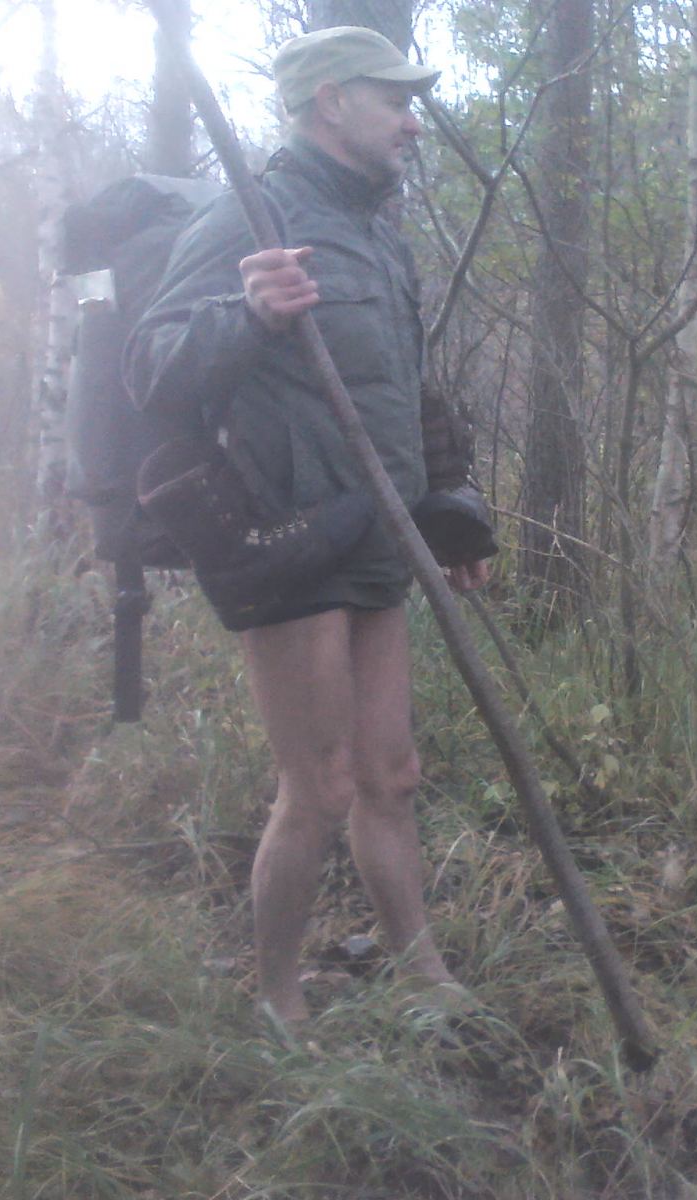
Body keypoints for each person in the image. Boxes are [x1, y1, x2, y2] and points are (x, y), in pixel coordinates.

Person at [124, 25, 491, 1029]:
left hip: (379, 533)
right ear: (332, 102)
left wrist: (449, 512)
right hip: (290, 538)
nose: (413, 124)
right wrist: (249, 315)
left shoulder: (377, 231)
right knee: (320, 787)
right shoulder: (252, 212)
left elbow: (401, 387)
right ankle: (277, 1001)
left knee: (390, 777)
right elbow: (149, 367)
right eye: (395, 102)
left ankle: (424, 979)